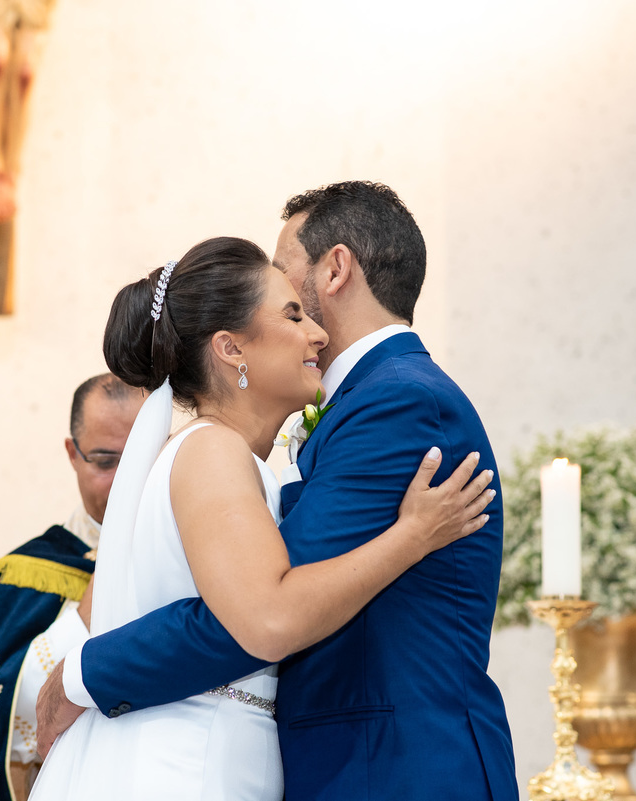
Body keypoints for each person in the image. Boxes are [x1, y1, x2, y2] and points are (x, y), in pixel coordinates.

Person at [37, 182, 519, 800]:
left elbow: (267, 608)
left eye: (292, 286)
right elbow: (268, 609)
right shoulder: (220, 448)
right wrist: (411, 536)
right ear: (230, 349)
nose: (308, 328)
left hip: (391, 766)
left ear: (337, 267)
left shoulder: (395, 400)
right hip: (216, 759)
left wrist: (88, 673)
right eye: (287, 312)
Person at [0, 374, 144, 801]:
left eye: (141, 460)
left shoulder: (196, 556)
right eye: (106, 462)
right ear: (73, 454)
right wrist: (90, 614)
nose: (125, 481)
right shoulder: (21, 578)